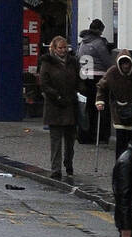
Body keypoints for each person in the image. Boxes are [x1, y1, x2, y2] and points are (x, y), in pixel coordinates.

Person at [39, 35, 80, 179]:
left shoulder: (73, 62)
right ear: (54, 48)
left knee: (70, 141)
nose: (63, 50)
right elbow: (44, 83)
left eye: (65, 47)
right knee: (56, 140)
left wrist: (79, 92)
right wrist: (56, 96)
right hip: (54, 106)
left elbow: (78, 80)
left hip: (70, 105)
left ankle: (69, 164)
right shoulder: (47, 63)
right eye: (60, 48)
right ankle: (56, 169)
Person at [96, 52, 132, 158]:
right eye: (123, 63)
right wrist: (100, 101)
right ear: (119, 64)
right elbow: (101, 86)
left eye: (127, 63)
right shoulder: (112, 72)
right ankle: (120, 162)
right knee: (121, 138)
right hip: (118, 109)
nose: (126, 66)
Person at [77, 19, 114, 143]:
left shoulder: (82, 43)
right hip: (98, 78)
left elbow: (78, 58)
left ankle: (85, 135)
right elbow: (107, 61)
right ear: (100, 30)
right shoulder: (99, 43)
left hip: (84, 77)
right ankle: (100, 136)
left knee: (85, 108)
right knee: (99, 107)